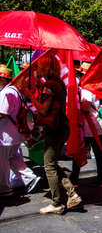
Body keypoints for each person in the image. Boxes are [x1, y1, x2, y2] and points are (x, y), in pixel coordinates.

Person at [22, 58, 81, 214]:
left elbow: (43, 110)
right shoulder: (58, 83)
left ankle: (56, 203)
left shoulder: (50, 85)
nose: (37, 70)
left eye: (39, 67)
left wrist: (30, 96)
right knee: (53, 163)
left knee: (48, 166)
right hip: (61, 127)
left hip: (54, 129)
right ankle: (72, 194)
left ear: (46, 68)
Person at [0, 65, 40, 196]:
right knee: (13, 158)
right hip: (15, 133)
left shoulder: (6, 93)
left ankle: (4, 188)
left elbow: (2, 113)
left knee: (3, 162)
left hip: (6, 135)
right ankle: (30, 178)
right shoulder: (15, 91)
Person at [70, 63, 102, 187]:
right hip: (98, 125)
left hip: (89, 125)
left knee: (79, 151)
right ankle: (101, 179)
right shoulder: (97, 85)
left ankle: (74, 179)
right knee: (99, 152)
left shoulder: (87, 88)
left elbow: (86, 106)